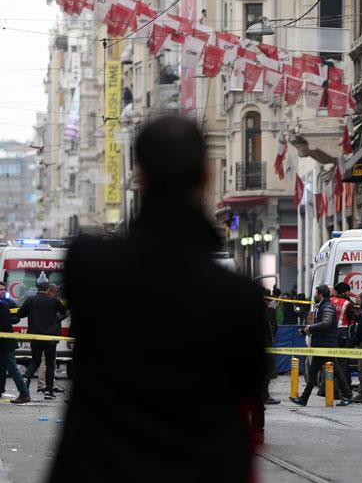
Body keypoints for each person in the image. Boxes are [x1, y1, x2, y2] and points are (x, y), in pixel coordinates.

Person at [49, 116, 267, 482]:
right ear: (207, 175)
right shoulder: (239, 298)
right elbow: (247, 393)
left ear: (139, 177)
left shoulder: (89, 267)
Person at [289, 285, 352, 407]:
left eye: (316, 293)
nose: (315, 295)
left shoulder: (327, 306)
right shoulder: (322, 306)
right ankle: (304, 399)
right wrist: (308, 330)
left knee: (334, 372)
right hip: (321, 345)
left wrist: (310, 328)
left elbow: (326, 323)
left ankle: (348, 396)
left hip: (326, 346)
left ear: (321, 294)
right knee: (314, 373)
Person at [19, 281, 66, 400]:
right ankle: (49, 391)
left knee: (35, 361)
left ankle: (26, 378)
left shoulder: (30, 300)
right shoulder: (54, 301)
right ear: (48, 290)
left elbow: (20, 314)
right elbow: (63, 312)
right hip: (50, 338)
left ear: (37, 289)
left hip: (35, 337)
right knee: (50, 363)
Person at [0, 281, 30, 404]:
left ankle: (24, 394)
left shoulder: (6, 304)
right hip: (5, 342)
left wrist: (11, 319)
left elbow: (13, 319)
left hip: (5, 343)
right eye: (0, 290)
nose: (1, 292)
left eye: (3, 290)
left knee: (13, 369)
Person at [331, 282, 357, 395]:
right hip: (342, 334)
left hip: (331, 335)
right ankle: (338, 390)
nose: (349, 293)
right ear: (344, 292)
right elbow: (355, 316)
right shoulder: (347, 303)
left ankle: (329, 389)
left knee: (332, 363)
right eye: (348, 291)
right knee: (342, 364)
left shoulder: (330, 301)